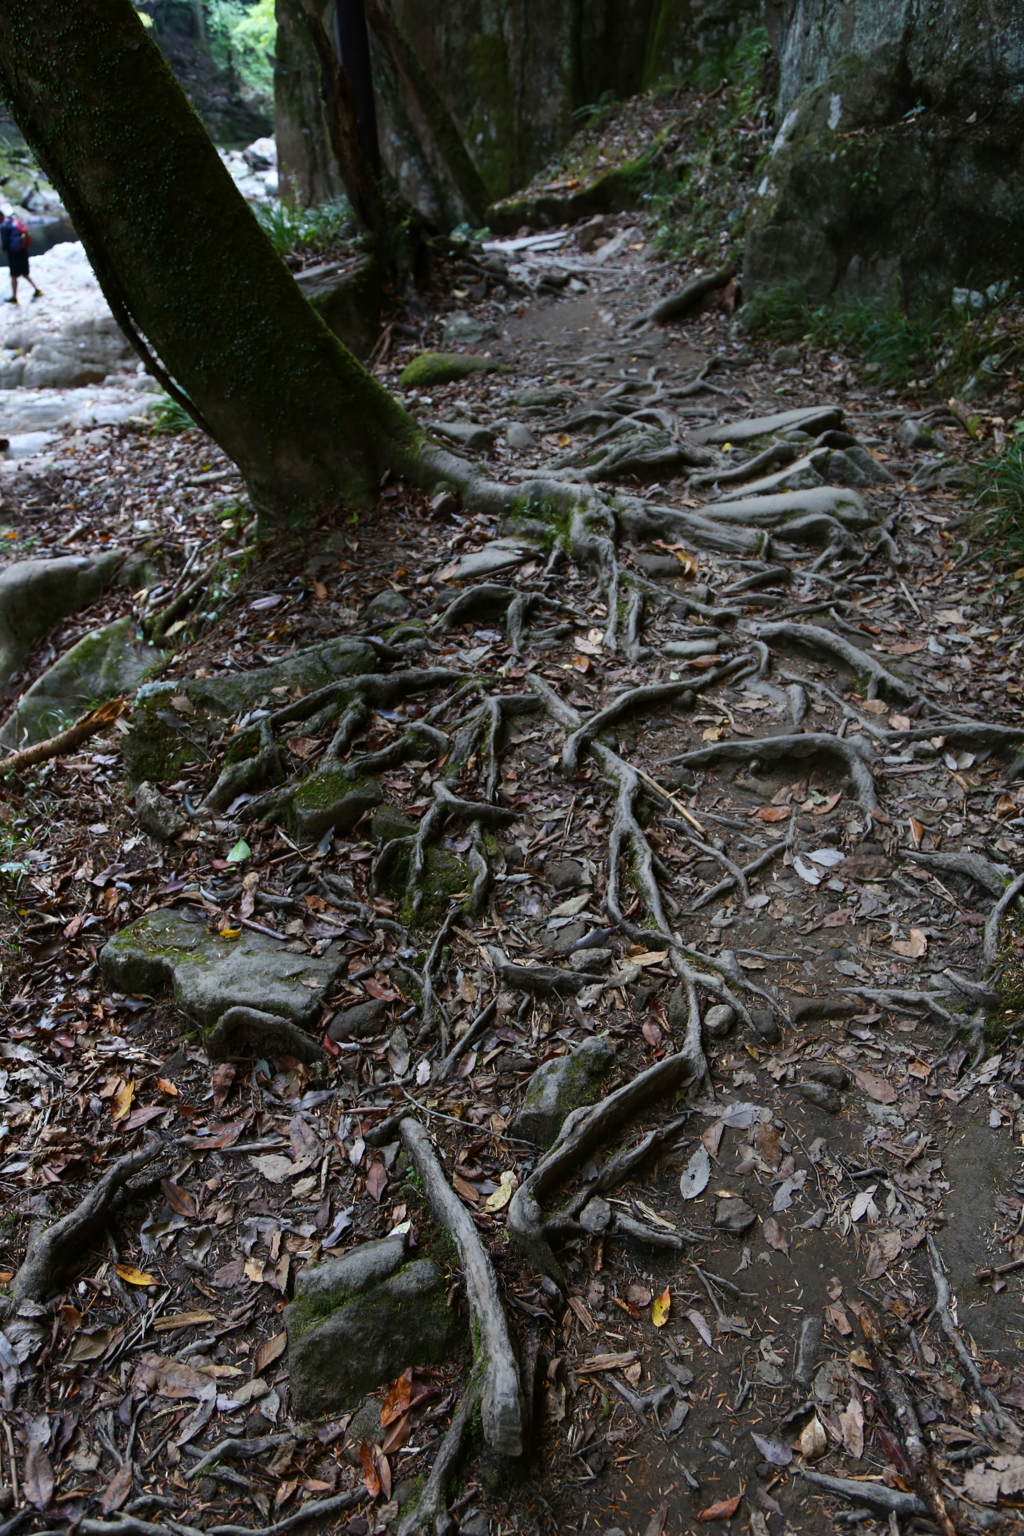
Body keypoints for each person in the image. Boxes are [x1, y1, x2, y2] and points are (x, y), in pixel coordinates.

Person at [0, 210, 41, 304]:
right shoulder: (11, 220)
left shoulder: (4, 226)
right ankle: (37, 290)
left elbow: (5, 243)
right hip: (22, 251)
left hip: (14, 253)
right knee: (24, 273)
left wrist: (4, 250)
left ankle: (14, 298)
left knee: (13, 275)